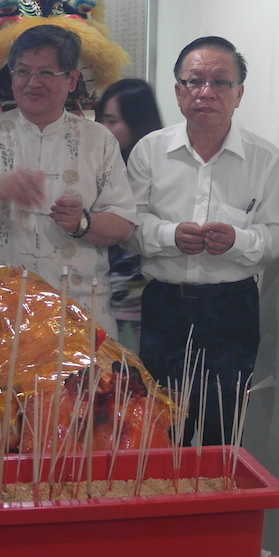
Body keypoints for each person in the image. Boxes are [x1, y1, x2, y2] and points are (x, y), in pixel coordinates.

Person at [125, 36, 279, 446]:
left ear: (239, 94)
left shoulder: (264, 158)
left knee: (223, 427)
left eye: (220, 82)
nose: (206, 92)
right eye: (195, 81)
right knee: (160, 426)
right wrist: (169, 235)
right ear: (178, 90)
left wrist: (239, 241)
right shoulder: (150, 151)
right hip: (165, 305)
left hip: (232, 308)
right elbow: (128, 225)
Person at [0, 24, 137, 337]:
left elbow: (124, 225)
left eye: (46, 73)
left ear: (71, 80)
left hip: (76, 315)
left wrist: (82, 223)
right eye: (22, 72)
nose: (32, 83)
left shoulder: (99, 140)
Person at [95, 78, 163, 354]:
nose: (103, 128)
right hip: (103, 296)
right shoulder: (103, 162)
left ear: (138, 121)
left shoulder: (155, 166)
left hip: (139, 300)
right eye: (101, 119)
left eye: (112, 121)